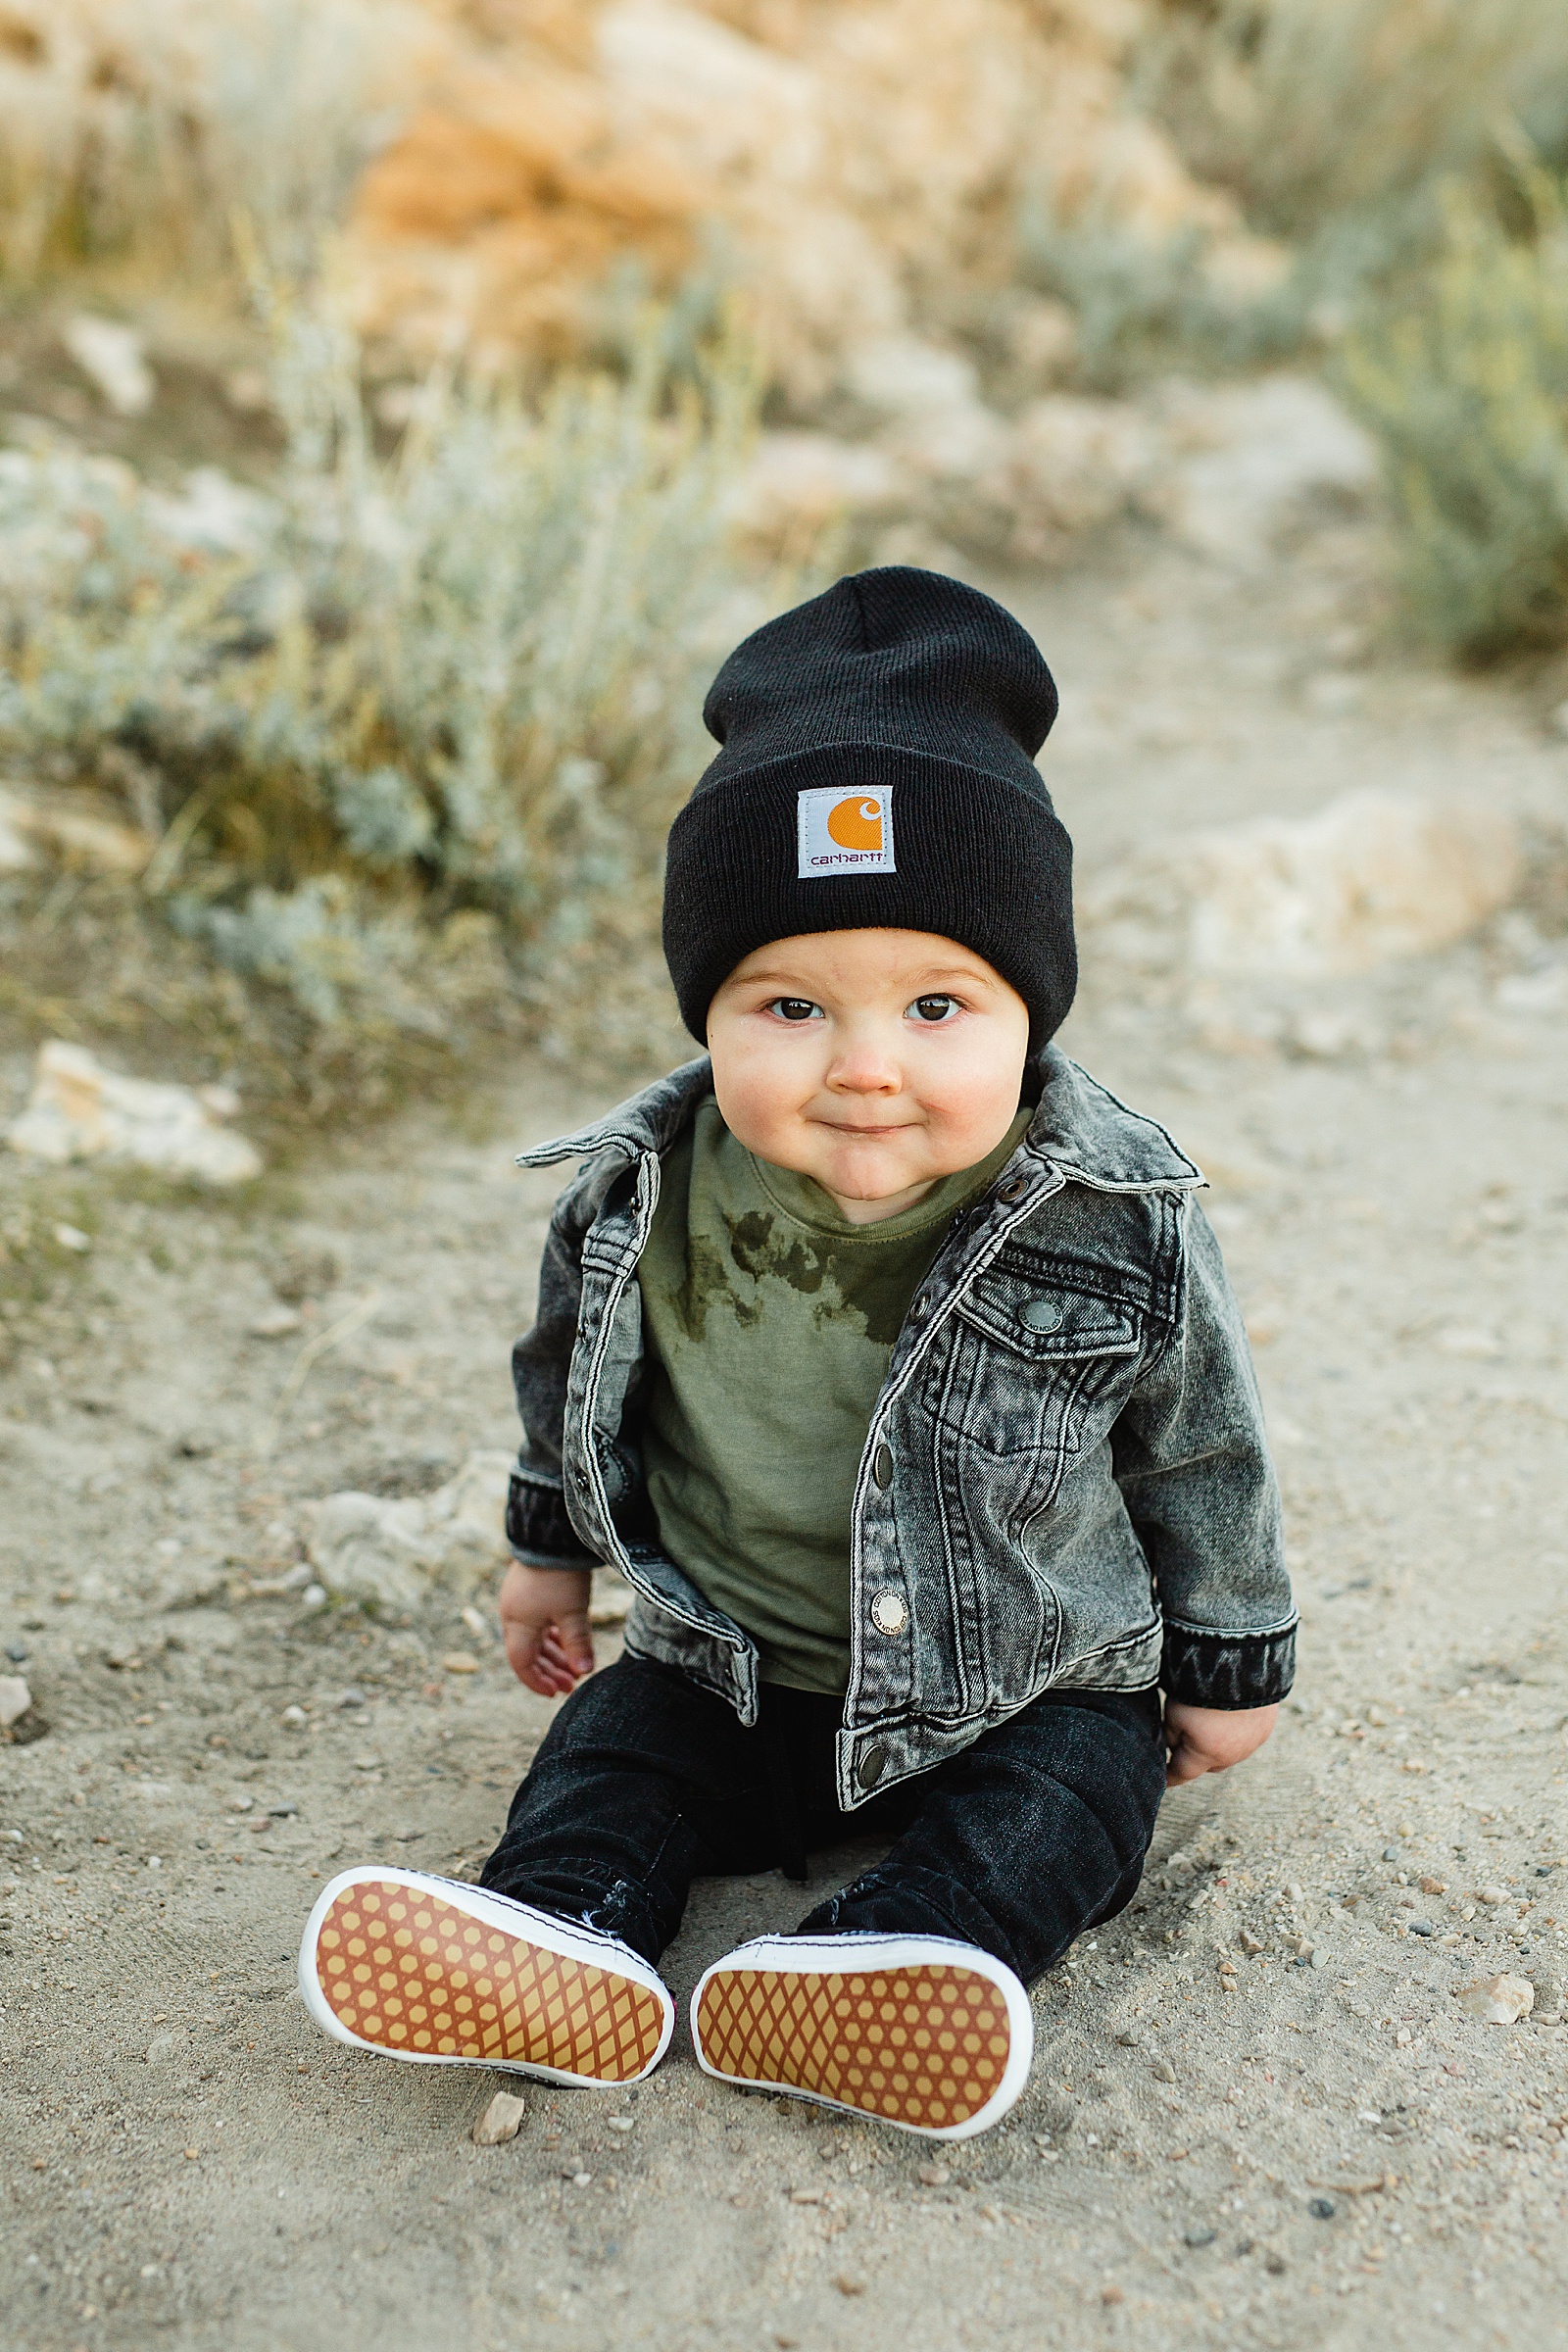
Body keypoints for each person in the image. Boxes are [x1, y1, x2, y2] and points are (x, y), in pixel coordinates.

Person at [298, 567, 1295, 2140]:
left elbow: (1200, 1444)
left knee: (1069, 1806)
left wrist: (1231, 1664)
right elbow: (574, 1384)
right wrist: (544, 1558)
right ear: (708, 1011)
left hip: (1019, 1680)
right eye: (789, 1004)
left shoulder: (1109, 1213)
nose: (866, 1068)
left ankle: (907, 1957)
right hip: (737, 1665)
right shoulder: (644, 1190)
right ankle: (560, 1929)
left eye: (938, 1004)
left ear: (1027, 1013)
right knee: (616, 1747)